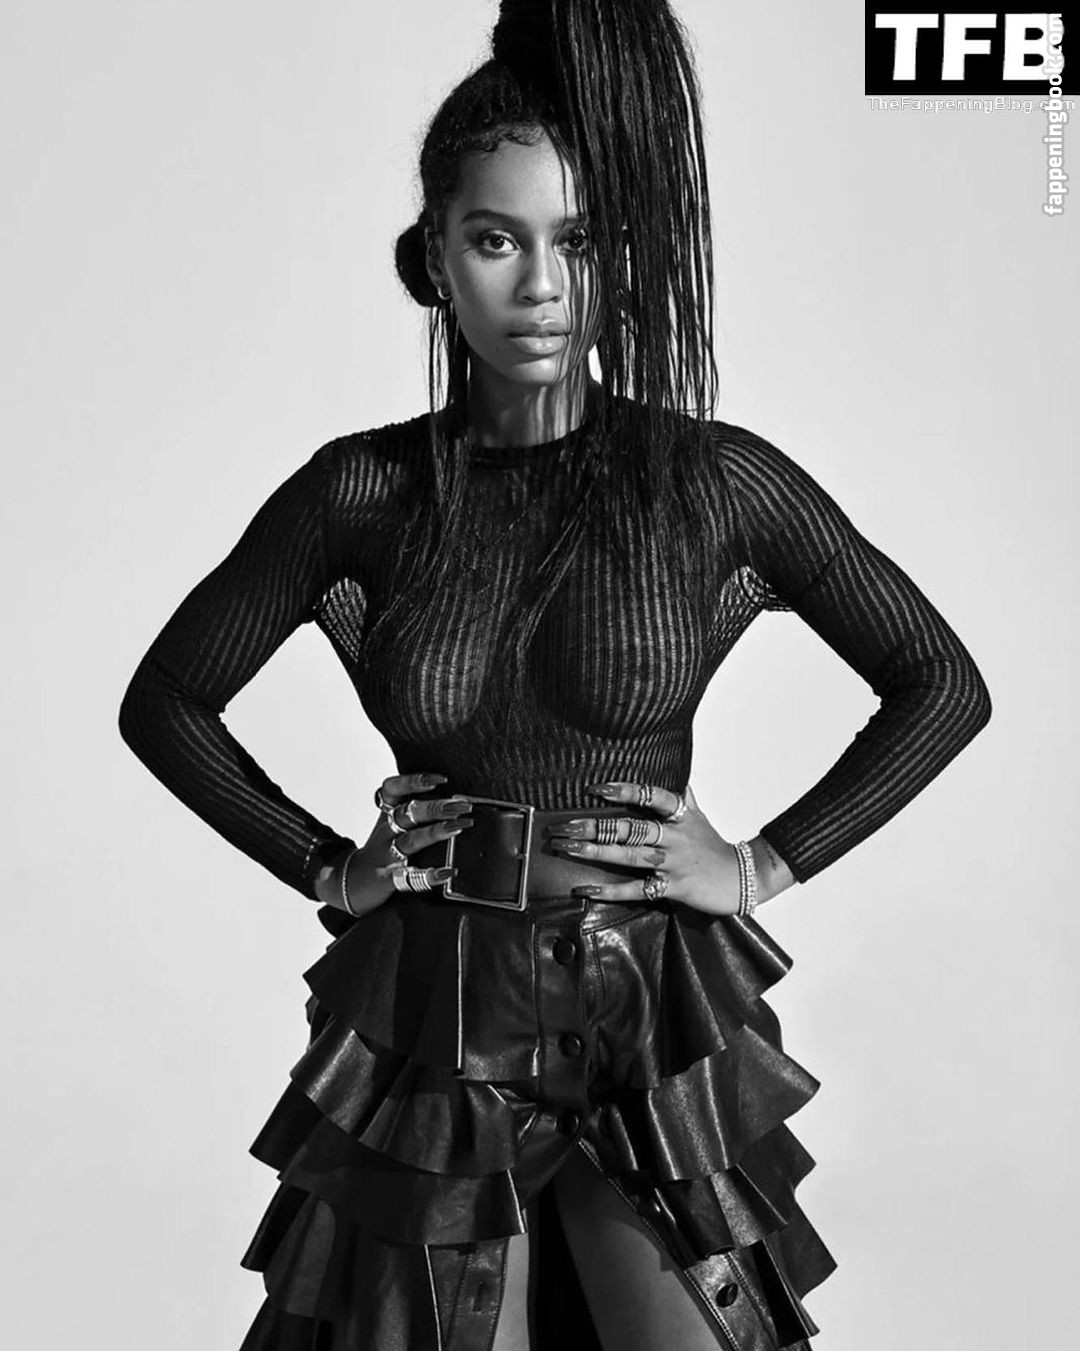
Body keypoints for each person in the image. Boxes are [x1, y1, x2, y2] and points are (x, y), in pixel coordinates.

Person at [117, 2, 992, 1348]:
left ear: (618, 261)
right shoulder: (361, 493)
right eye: (496, 239)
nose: (538, 286)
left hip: (652, 1014)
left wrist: (762, 864)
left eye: (576, 243)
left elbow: (939, 680)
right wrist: (327, 868)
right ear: (433, 259)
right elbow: (167, 700)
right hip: (437, 1018)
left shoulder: (713, 484)